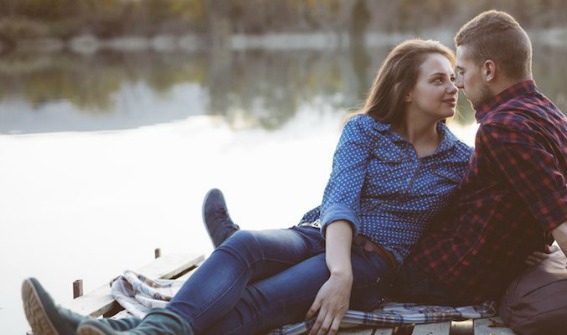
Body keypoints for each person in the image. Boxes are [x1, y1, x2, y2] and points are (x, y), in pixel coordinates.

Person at [21, 38, 473, 335]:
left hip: (372, 266)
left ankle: (123, 333)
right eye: (438, 79)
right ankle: (142, 330)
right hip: (322, 236)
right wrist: (338, 272)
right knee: (245, 246)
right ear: (406, 90)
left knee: (257, 301)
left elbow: (492, 206)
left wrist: (534, 246)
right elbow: (340, 200)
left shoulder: (461, 161)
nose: (452, 87)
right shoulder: (364, 131)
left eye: (453, 78)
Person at [391, 10, 567, 335]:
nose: (459, 84)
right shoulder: (551, 114)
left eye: (462, 72)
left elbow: (565, 223)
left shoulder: (502, 129)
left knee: (359, 265)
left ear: (489, 70)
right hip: (491, 261)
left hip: (451, 273)